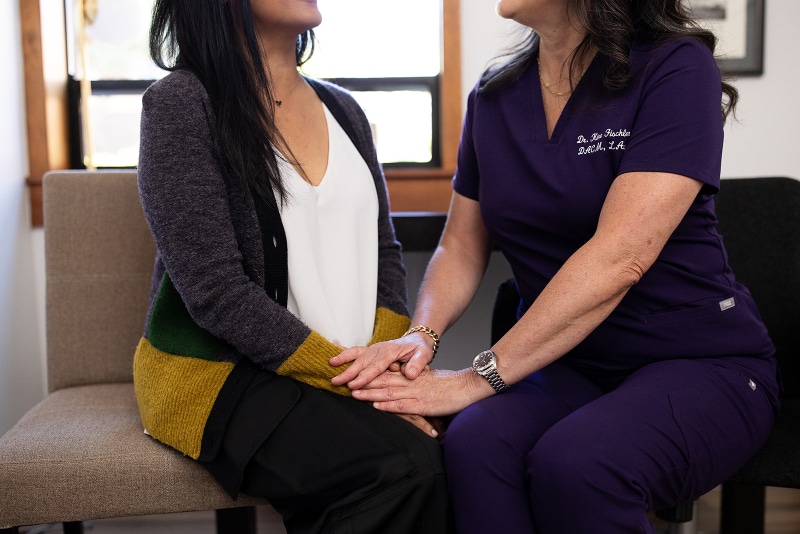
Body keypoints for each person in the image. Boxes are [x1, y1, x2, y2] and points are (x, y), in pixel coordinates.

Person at [332, 0, 781, 532]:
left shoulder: (674, 65)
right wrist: (422, 335)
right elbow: (461, 245)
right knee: (475, 445)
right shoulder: (494, 95)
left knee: (579, 465)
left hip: (698, 361)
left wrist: (474, 379)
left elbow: (621, 257)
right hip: (567, 364)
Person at [132, 0, 451, 532]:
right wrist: (358, 380)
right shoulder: (180, 104)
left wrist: (383, 361)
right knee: (405, 469)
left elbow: (385, 252)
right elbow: (216, 292)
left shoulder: (344, 110)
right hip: (229, 373)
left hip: (350, 366)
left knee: (460, 444)